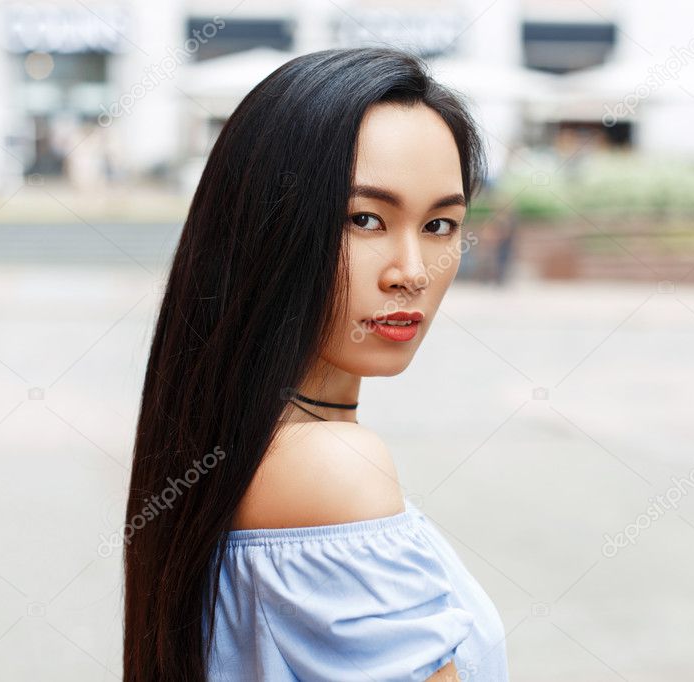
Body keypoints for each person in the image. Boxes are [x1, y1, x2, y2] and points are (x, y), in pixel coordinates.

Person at [123, 47, 509, 681]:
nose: (411, 272)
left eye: (441, 225)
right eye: (364, 219)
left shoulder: (230, 449)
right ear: (266, 225)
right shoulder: (328, 468)